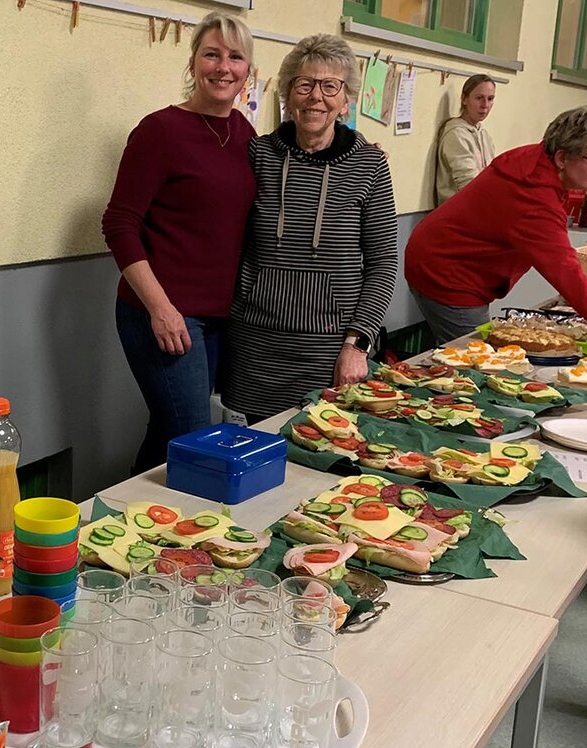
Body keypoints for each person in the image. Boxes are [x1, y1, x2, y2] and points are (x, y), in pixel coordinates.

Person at [102, 12, 256, 474]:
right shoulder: (159, 131)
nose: (223, 67)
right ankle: (172, 518)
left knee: (169, 432)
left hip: (218, 318)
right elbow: (119, 224)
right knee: (193, 438)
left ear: (248, 71)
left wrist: (360, 154)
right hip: (163, 311)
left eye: (235, 57)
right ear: (193, 63)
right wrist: (161, 309)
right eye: (211, 54)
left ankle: (126, 511)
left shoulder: (245, 134)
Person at [221, 34, 398, 421]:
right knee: (255, 448)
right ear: (288, 94)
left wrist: (357, 344)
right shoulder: (258, 155)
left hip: (331, 352)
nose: (316, 96)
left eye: (330, 86)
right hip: (255, 347)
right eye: (304, 84)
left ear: (346, 100)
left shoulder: (369, 166)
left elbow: (384, 263)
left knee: (325, 445)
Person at [406, 105, 587, 358]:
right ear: (562, 158)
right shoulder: (533, 196)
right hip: (447, 272)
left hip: (439, 255)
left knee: (461, 354)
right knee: (474, 361)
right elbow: (564, 270)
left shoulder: (538, 158)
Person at [436, 74, 497, 204]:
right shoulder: (456, 134)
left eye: (490, 99)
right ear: (464, 99)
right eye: (479, 98)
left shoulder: (484, 135)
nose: (485, 105)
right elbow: (468, 182)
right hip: (459, 209)